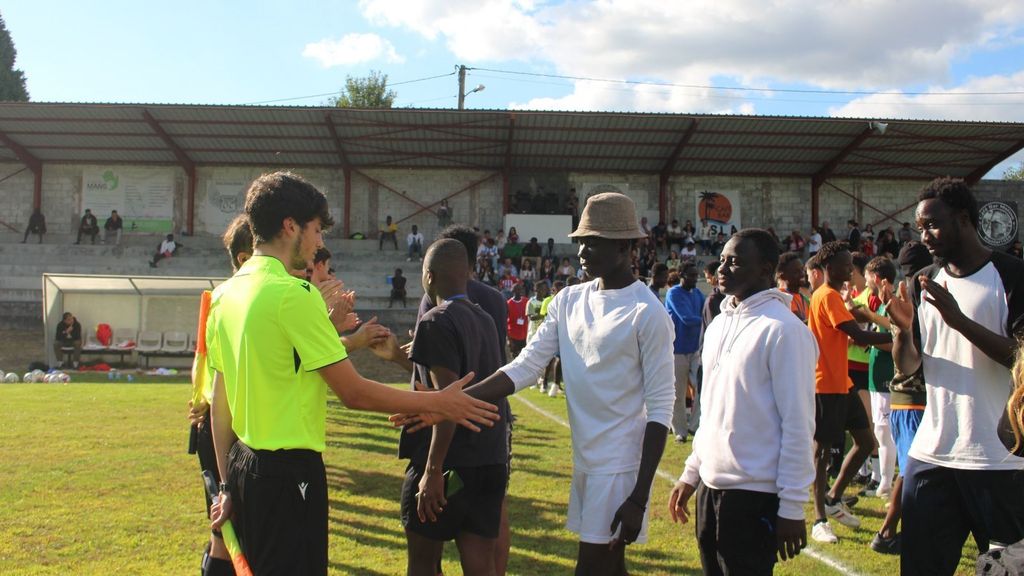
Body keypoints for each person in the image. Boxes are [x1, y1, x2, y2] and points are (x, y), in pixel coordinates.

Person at [206, 172, 498, 575]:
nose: (320, 242)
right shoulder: (294, 294)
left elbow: (219, 408)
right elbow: (353, 392)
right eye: (315, 230)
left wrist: (225, 485)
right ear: (290, 225)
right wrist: (440, 401)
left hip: (242, 466)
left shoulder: (224, 294)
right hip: (289, 475)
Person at [404, 192, 675, 576]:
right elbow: (524, 367)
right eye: (580, 239)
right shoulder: (569, 300)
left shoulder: (647, 312)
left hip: (619, 468)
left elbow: (661, 408)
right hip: (586, 462)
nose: (581, 248)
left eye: (593, 240)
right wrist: (449, 402)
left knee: (593, 568)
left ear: (626, 246)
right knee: (610, 568)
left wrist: (639, 496)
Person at [883, 177, 1024, 575]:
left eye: (932, 224)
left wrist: (959, 321)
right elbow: (911, 365)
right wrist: (901, 333)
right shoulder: (924, 279)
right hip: (932, 453)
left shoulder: (1012, 275)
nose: (924, 235)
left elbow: (1022, 359)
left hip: (999, 460)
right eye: (919, 226)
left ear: (964, 219)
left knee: (1004, 569)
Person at [669, 228, 818, 575]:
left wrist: (793, 506)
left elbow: (798, 423)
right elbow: (712, 411)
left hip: (755, 495)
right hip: (711, 487)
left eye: (735, 262)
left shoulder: (784, 330)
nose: (722, 269)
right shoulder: (720, 323)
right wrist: (692, 473)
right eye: (721, 260)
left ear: (766, 270)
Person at [393, 239, 512, 576]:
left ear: (428, 276)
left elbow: (447, 402)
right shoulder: (486, 320)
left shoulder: (433, 321)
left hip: (449, 464)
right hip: (489, 458)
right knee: (480, 565)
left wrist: (432, 470)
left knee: (423, 564)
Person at [807, 241, 891, 544]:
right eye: (845, 265)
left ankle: (833, 497)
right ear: (829, 268)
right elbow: (855, 334)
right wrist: (896, 340)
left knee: (866, 440)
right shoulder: (826, 295)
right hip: (825, 384)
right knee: (822, 454)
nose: (850, 270)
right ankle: (819, 519)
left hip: (842, 382)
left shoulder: (833, 297)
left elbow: (854, 324)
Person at [870, 242, 932, 556]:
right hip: (912, 399)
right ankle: (886, 533)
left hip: (910, 398)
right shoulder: (915, 298)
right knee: (911, 472)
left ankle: (900, 530)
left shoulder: (904, 297)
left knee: (914, 471)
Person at [665, 263, 704, 442]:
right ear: (681, 275)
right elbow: (687, 319)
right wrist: (706, 321)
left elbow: (706, 313)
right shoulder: (674, 293)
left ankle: (694, 426)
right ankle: (679, 430)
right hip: (677, 350)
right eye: (691, 275)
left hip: (695, 349)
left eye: (696, 275)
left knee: (702, 388)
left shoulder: (697, 294)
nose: (695, 279)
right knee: (678, 393)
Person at [778, 251, 809, 322]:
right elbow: (799, 322)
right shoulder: (781, 297)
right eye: (796, 272)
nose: (802, 274)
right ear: (783, 276)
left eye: (802, 269)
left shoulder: (804, 298)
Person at [507, 283, 529, 359]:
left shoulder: (526, 301)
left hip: (524, 335)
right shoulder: (509, 303)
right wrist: (509, 340)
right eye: (517, 289)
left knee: (523, 358)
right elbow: (505, 323)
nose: (519, 291)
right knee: (515, 358)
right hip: (513, 335)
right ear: (513, 291)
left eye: (520, 289)